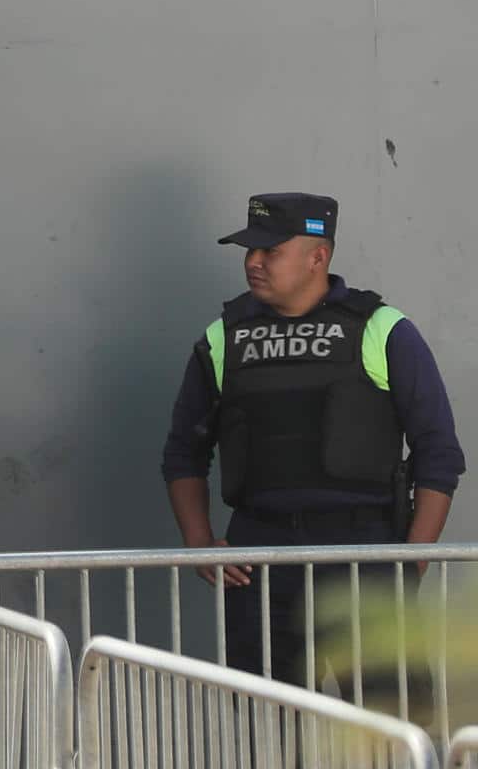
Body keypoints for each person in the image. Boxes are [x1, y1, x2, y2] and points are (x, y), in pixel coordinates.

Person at [161, 193, 464, 683]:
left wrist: (410, 564)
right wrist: (198, 542)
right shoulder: (223, 337)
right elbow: (184, 452)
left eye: (270, 251)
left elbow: (439, 455)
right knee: (264, 727)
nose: (253, 262)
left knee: (383, 731)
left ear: (317, 256)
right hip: (259, 556)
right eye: (249, 251)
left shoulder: (382, 329)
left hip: (364, 550)